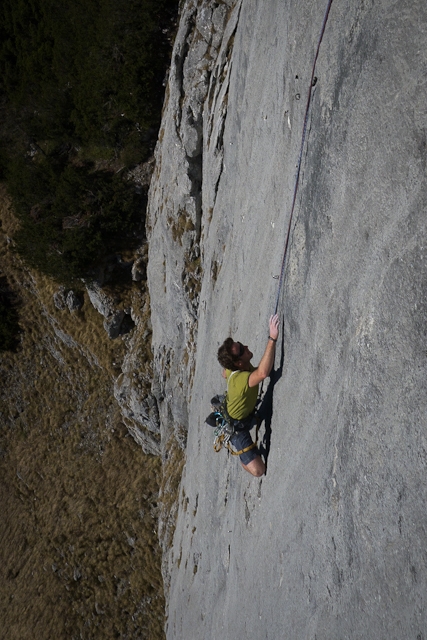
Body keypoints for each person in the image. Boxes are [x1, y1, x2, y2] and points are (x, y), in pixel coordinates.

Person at [217, 314, 280, 477]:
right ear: (238, 363)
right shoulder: (240, 382)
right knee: (259, 470)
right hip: (237, 429)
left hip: (245, 414)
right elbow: (263, 372)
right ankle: (244, 458)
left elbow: (225, 373)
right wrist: (272, 338)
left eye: (240, 344)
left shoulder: (233, 367)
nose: (245, 346)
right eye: (242, 350)